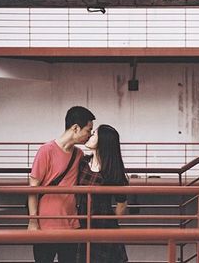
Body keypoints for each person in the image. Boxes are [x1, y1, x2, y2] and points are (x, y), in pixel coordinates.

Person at [28, 106, 95, 263]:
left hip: (71, 225)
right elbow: (33, 189)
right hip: (45, 225)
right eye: (88, 129)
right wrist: (33, 221)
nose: (89, 134)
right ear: (75, 128)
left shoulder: (78, 154)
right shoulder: (46, 151)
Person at [76, 124, 129, 263]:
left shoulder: (112, 170)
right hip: (81, 220)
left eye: (94, 134)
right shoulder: (83, 162)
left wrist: (110, 223)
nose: (90, 135)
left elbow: (121, 204)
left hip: (103, 223)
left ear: (103, 142)